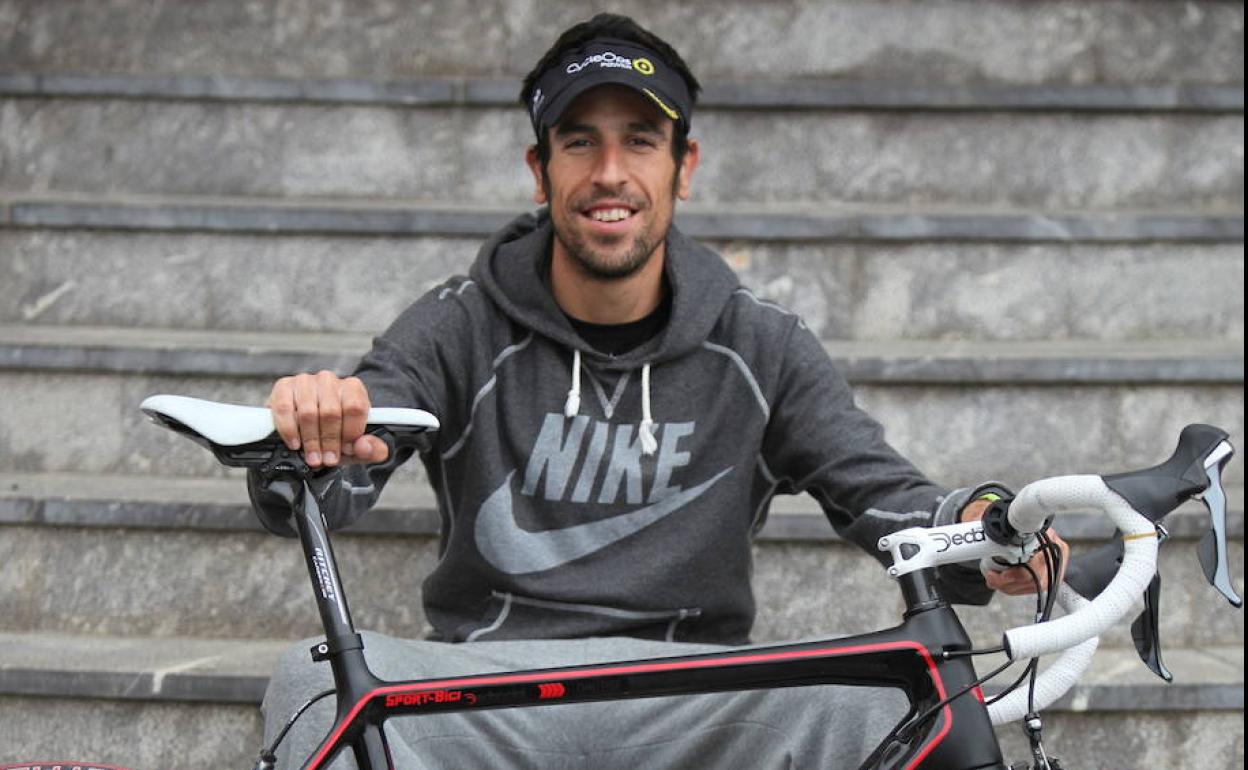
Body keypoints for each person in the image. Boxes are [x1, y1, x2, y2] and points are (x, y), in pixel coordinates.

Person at [251, 13, 1066, 768]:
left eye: (640, 141)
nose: (611, 174)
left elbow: (882, 493)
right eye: (579, 143)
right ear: (541, 170)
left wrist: (985, 526)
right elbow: (340, 464)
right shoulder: (458, 324)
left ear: (684, 166)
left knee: (899, 692)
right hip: (494, 687)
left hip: (693, 692)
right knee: (312, 686)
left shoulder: (759, 342)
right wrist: (318, 431)